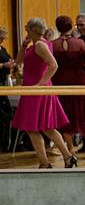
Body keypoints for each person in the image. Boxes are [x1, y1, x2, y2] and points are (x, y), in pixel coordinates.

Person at [11, 18, 76, 168]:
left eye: (28, 27)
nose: (26, 29)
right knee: (44, 127)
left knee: (35, 127)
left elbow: (54, 65)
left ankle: (47, 162)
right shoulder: (37, 45)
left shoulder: (40, 45)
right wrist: (23, 46)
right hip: (34, 89)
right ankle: (65, 157)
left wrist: (41, 83)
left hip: (37, 90)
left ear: (34, 30)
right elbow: (18, 62)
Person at [52, 15, 85, 158]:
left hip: (60, 82)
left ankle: (70, 148)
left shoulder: (53, 44)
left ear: (57, 27)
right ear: (71, 27)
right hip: (80, 80)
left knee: (66, 115)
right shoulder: (79, 43)